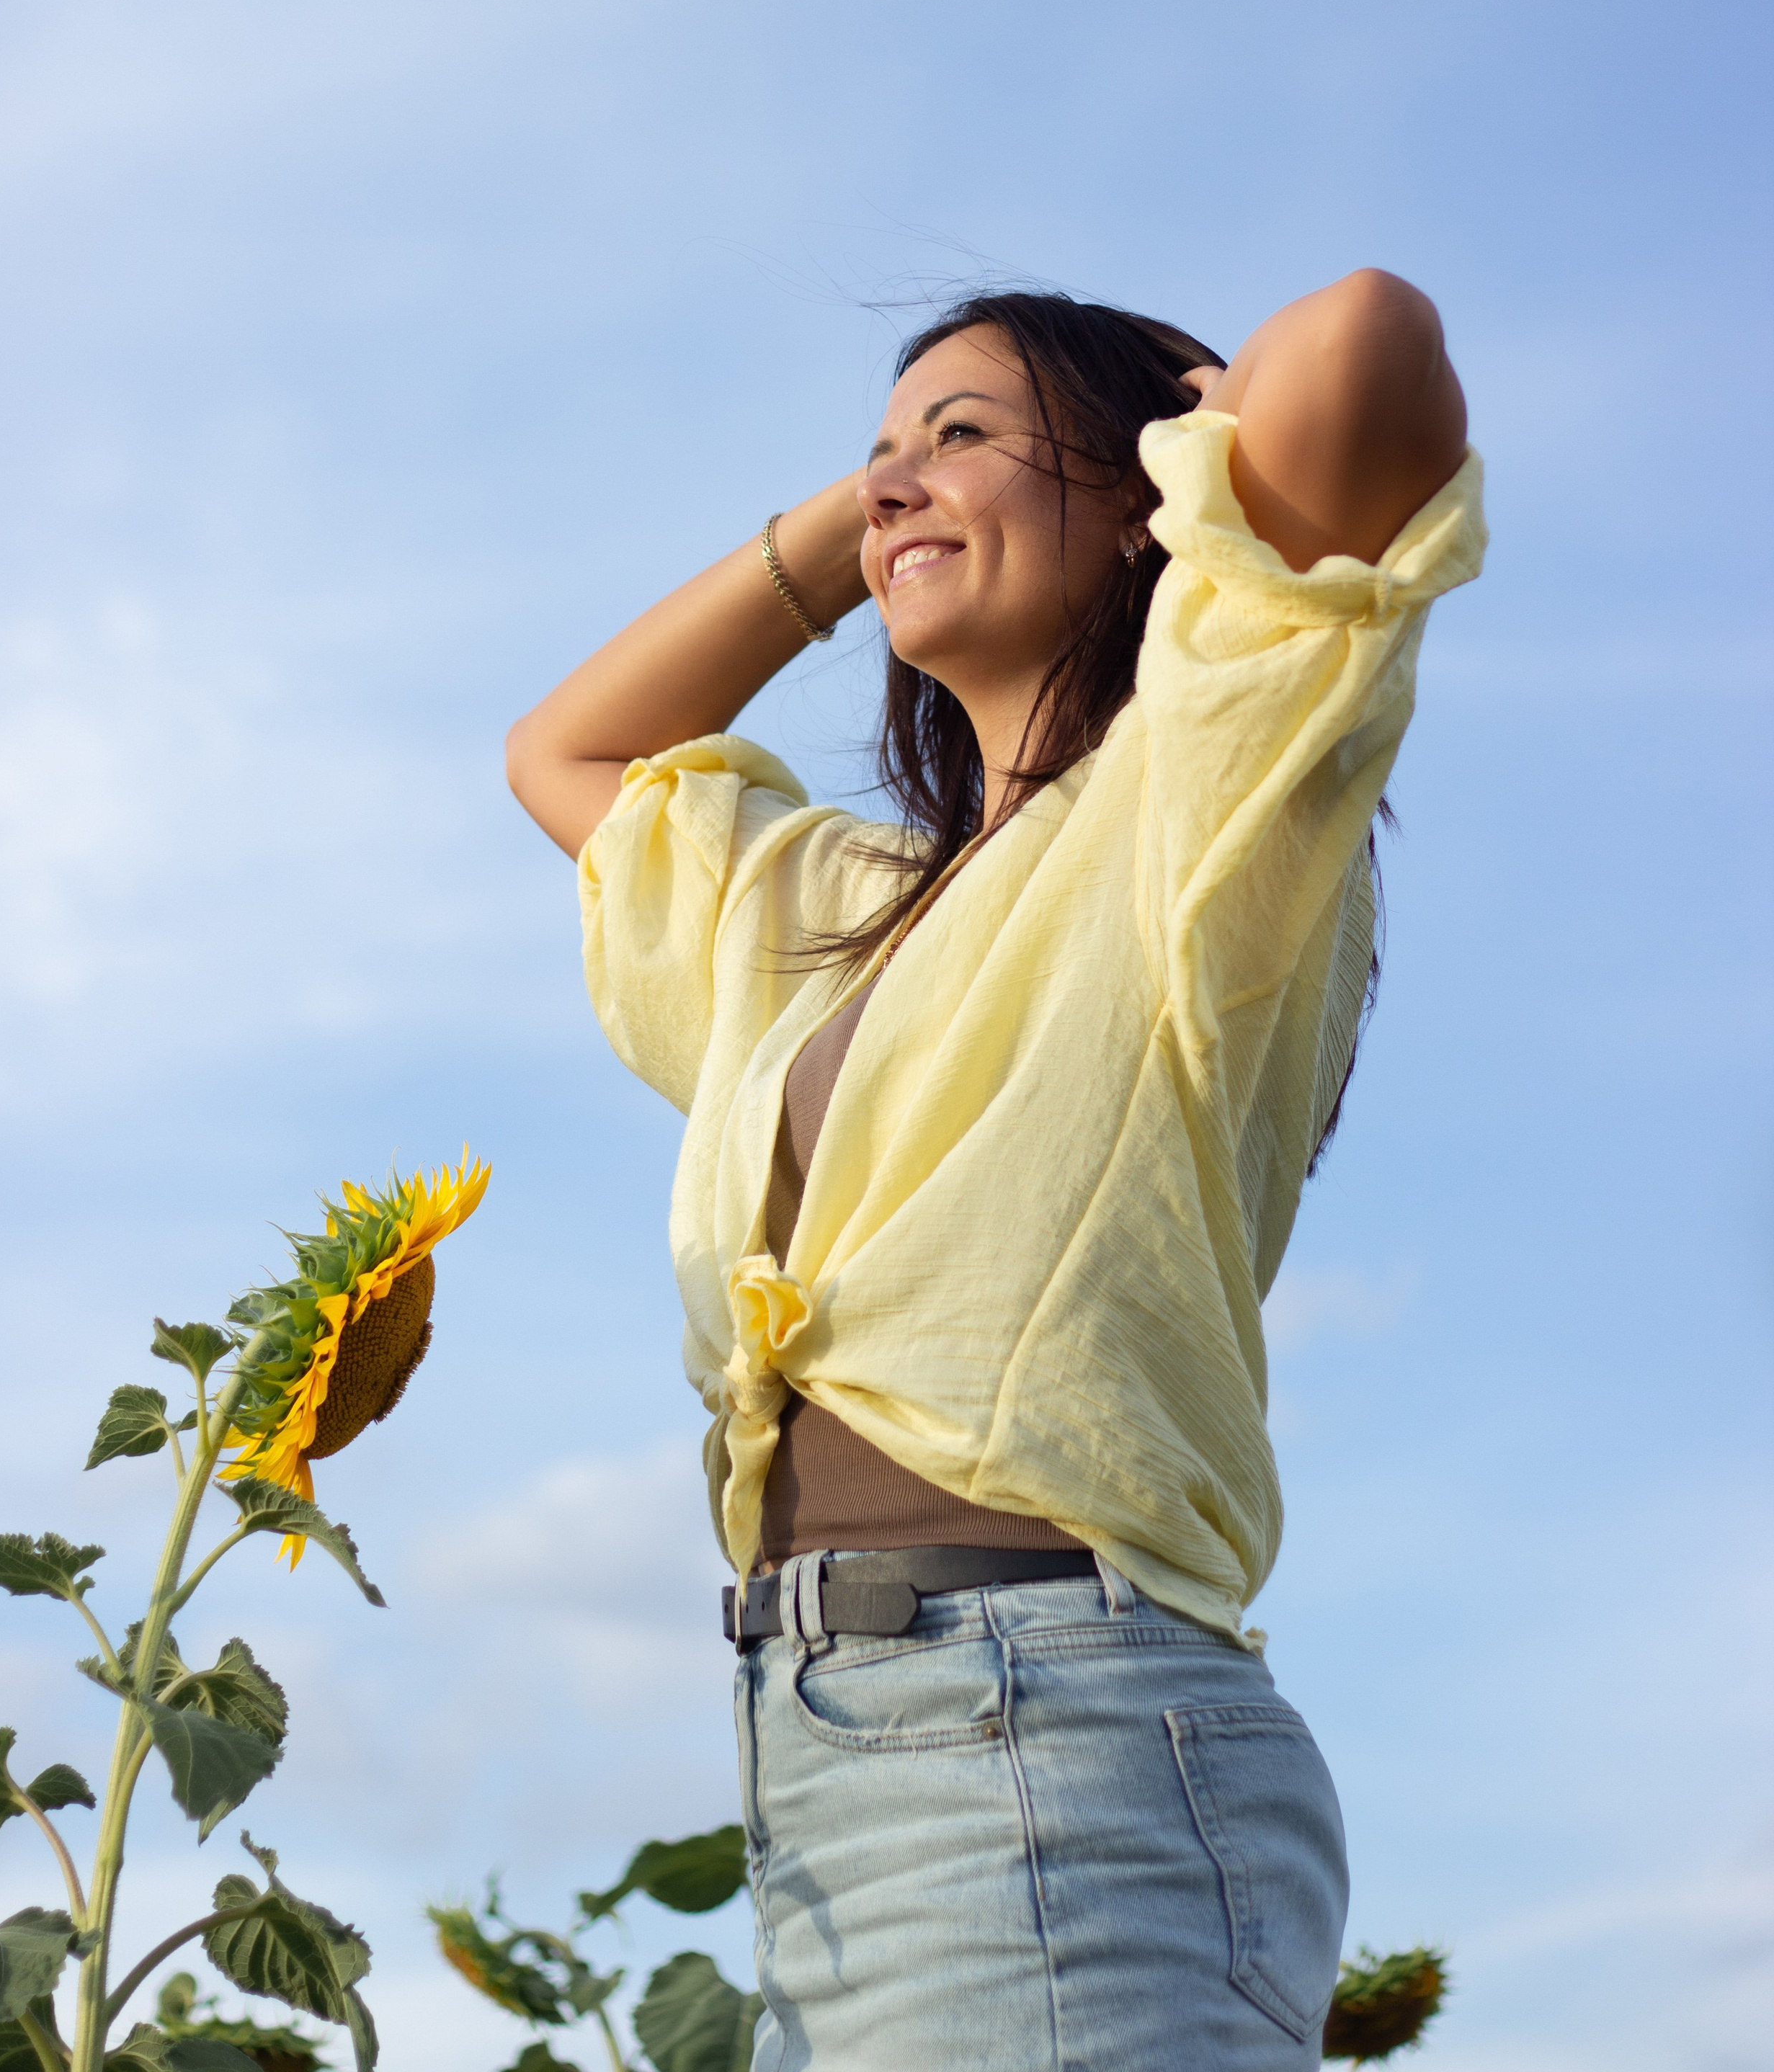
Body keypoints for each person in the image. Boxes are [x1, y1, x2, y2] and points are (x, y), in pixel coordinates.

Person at [507, 270, 1484, 2071]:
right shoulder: (840, 916)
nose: (891, 482)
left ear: (1141, 495)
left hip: (1038, 1735)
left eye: (962, 433)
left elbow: (1358, 342)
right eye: (875, 452)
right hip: (836, 1765)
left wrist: (1184, 434)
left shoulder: (1201, 794)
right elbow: (566, 753)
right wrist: (881, 512)